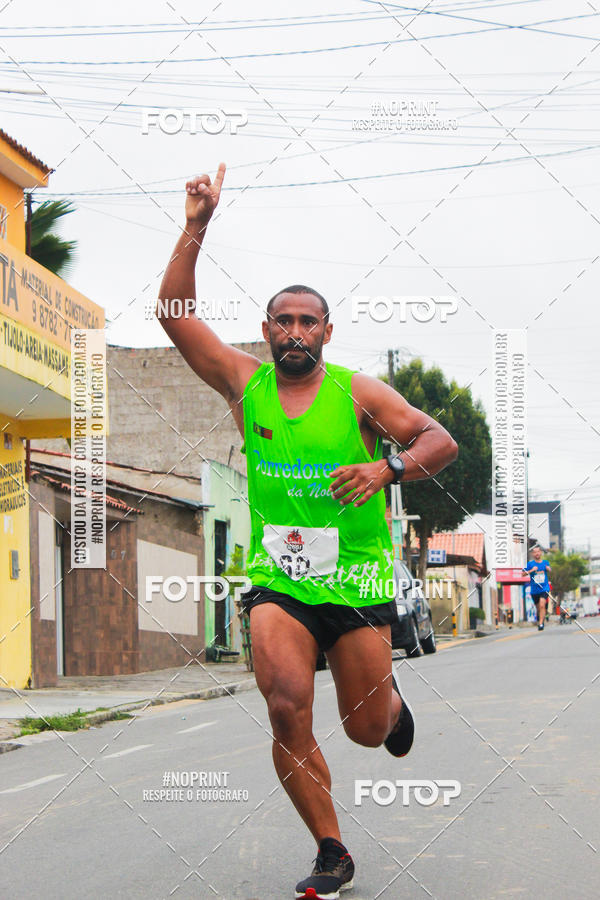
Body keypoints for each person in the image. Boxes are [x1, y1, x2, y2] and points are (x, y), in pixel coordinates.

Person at [156, 164, 458, 900]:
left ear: (327, 331)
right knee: (286, 703)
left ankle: (389, 709)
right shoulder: (242, 381)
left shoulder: (357, 391)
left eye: (308, 321)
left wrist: (385, 472)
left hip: (355, 578)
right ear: (266, 331)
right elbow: (171, 312)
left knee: (362, 729)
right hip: (279, 579)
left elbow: (437, 439)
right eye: (282, 321)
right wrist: (197, 224)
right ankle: (332, 849)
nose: (294, 331)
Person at [522, 546, 552, 631]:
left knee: (542, 605)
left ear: (541, 553)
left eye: (538, 551)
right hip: (534, 590)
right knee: (539, 608)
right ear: (532, 554)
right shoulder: (530, 564)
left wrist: (548, 569)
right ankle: (541, 618)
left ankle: (541, 623)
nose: (537, 553)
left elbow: (550, 569)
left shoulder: (545, 562)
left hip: (544, 588)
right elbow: (523, 574)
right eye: (535, 552)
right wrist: (531, 570)